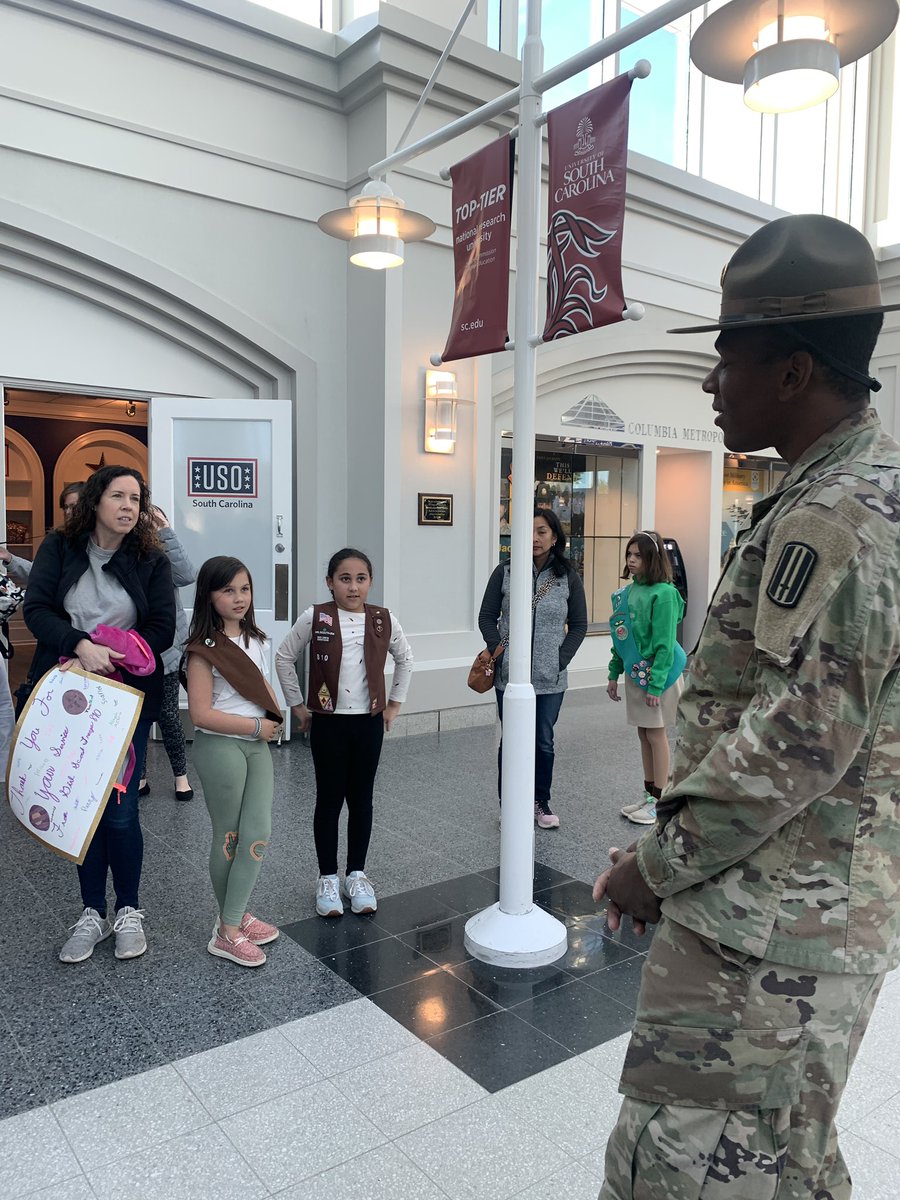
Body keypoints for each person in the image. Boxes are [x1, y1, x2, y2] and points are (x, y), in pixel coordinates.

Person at [593, 213, 900, 1199]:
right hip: (777, 908)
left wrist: (655, 865)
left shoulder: (836, 514)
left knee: (694, 1168)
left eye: (727, 358)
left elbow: (792, 747)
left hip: (770, 936)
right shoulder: (845, 492)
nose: (709, 382)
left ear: (794, 372)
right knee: (785, 1163)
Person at [23, 466, 175, 963]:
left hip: (125, 697)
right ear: (96, 501)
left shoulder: (150, 558)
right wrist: (78, 645)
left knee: (122, 809)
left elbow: (162, 626)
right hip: (68, 694)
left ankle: (128, 909)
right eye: (118, 496)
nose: (129, 506)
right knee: (81, 806)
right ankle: (92, 912)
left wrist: (118, 656)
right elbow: (37, 610)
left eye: (136, 498)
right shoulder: (60, 547)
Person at [275, 548, 413, 918]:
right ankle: (327, 878)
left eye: (361, 579)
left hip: (368, 724)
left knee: (362, 800)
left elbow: (406, 658)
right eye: (345, 579)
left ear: (370, 582)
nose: (353, 587)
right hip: (329, 724)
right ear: (330, 583)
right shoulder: (315, 616)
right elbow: (284, 657)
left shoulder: (383, 619)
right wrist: (298, 706)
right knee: (329, 799)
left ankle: (356, 874)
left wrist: (395, 703)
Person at [184, 556, 282, 967]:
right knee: (229, 835)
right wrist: (255, 728)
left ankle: (236, 915)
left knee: (258, 832)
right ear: (209, 595)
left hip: (256, 745)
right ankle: (227, 930)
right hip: (220, 747)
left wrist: (271, 723)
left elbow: (261, 689)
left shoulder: (258, 639)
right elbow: (201, 714)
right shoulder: (202, 651)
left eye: (244, 588)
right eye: (228, 590)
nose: (239, 598)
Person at [478, 507, 587, 829]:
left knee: (542, 741)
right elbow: (487, 617)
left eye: (542, 531)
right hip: (510, 676)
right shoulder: (506, 572)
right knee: (511, 740)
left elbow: (579, 624)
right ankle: (510, 803)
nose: (535, 538)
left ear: (555, 537)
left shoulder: (568, 576)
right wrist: (501, 652)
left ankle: (540, 801)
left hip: (550, 678)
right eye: (529, 531)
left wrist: (559, 659)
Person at [606, 531, 685, 826]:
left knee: (656, 734)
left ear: (653, 559)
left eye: (638, 555)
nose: (632, 560)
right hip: (637, 674)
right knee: (643, 733)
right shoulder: (626, 593)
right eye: (629, 554)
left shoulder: (664, 594)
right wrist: (613, 673)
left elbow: (665, 642)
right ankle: (649, 793)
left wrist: (656, 684)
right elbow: (620, 638)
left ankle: (661, 801)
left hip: (658, 675)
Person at [137, 506, 195, 801]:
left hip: (168, 650)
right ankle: (140, 776)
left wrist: (164, 530)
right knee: (137, 718)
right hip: (134, 652)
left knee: (169, 716)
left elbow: (187, 575)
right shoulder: (124, 552)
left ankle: (181, 777)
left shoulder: (163, 554)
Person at [0, 481, 85, 584]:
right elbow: (39, 574)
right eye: (65, 507)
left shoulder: (100, 540)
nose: (67, 512)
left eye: (73, 507)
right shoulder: (58, 541)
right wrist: (9, 558)